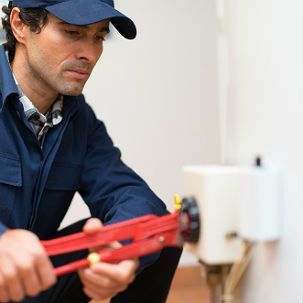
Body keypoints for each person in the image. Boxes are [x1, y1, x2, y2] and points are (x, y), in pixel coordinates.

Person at [0, 0, 182, 302]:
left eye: (98, 36)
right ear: (20, 25)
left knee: (153, 233)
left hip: (30, 284)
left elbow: (133, 195)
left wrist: (118, 251)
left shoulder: (77, 120)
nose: (89, 54)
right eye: (73, 32)